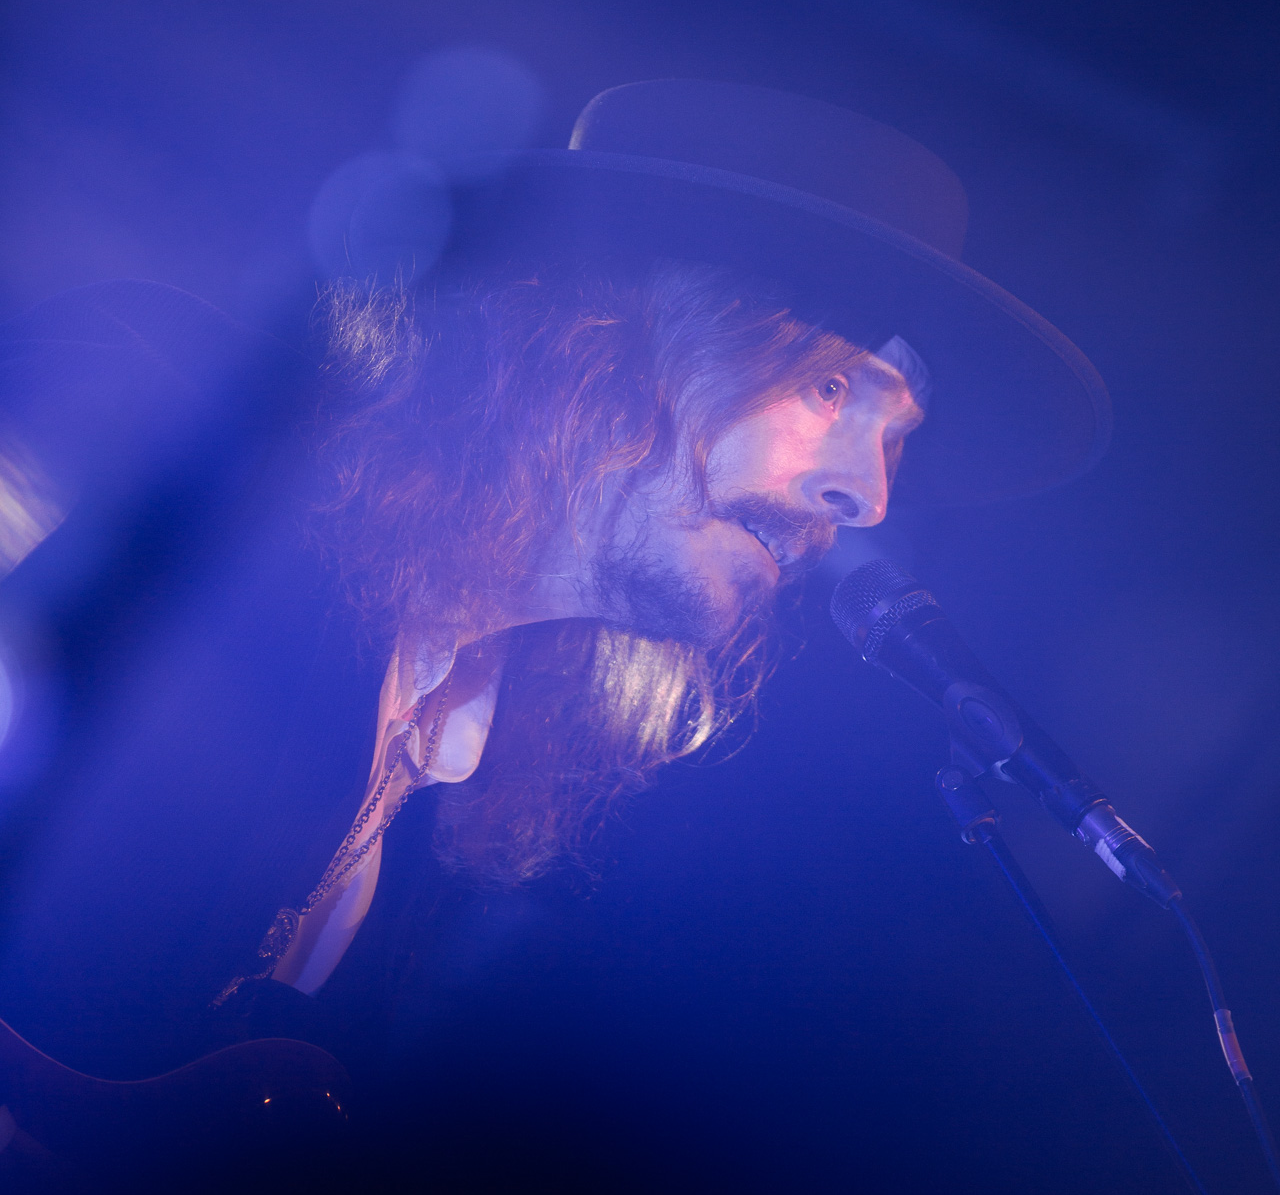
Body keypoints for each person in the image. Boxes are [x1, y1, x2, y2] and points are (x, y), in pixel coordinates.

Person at [0, 77, 1109, 1083]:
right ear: (611, 339)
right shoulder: (182, 457)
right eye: (829, 390)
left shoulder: (470, 757)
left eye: (897, 440)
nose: (867, 496)